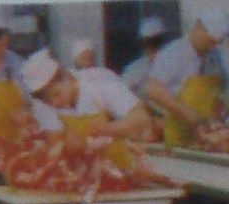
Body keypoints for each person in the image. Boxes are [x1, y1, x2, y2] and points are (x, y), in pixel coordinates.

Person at [20, 46, 153, 141]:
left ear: (66, 76)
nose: (54, 103)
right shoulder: (44, 104)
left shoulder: (101, 81)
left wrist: (108, 129)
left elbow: (141, 119)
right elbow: (55, 138)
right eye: (48, 100)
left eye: (56, 94)